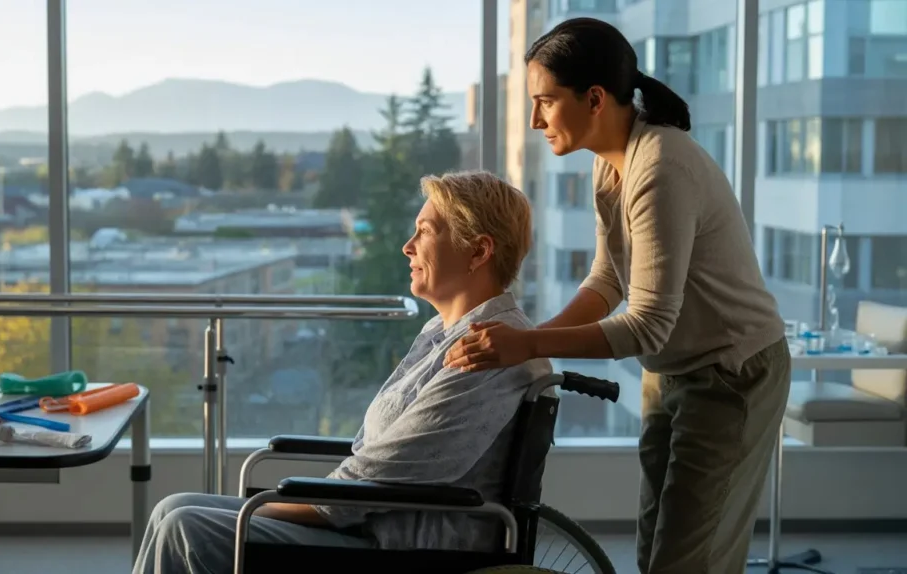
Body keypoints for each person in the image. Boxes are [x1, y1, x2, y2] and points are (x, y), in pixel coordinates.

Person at [443, 17, 791, 574]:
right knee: (656, 549)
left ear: (595, 98)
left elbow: (647, 324)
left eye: (546, 102)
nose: (535, 120)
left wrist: (527, 346)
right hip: (672, 372)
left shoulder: (660, 167)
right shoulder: (613, 167)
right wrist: (531, 345)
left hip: (731, 371)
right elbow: (607, 282)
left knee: (687, 561)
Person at [132, 171, 552, 574]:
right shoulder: (444, 333)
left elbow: (387, 472)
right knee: (172, 507)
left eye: (425, 231)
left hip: (403, 548)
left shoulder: (487, 351)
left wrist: (268, 506)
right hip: (370, 519)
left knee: (185, 525)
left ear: (479, 251)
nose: (408, 246)